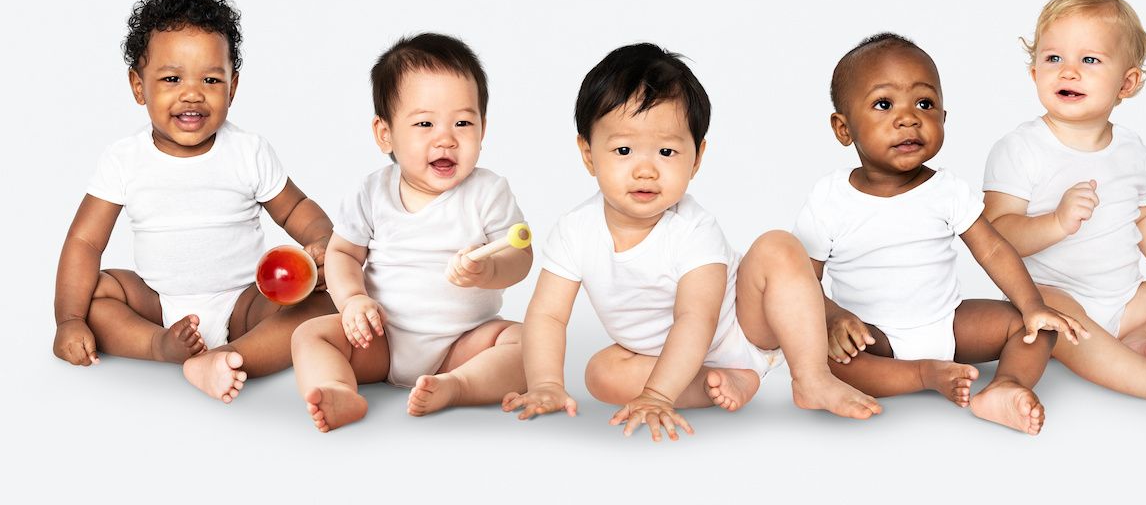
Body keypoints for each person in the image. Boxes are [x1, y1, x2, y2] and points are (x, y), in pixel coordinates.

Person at [503, 43, 883, 442]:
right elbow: (547, 315)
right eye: (623, 150)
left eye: (667, 151)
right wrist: (545, 381)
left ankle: (811, 378)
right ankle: (720, 383)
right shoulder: (575, 231)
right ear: (589, 155)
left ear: (696, 158)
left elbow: (695, 319)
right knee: (601, 374)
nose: (646, 170)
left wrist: (657, 394)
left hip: (744, 324)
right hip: (665, 356)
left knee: (778, 246)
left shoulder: (693, 229)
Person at [52, 0, 335, 403]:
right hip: (157, 303)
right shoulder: (123, 159)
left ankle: (232, 356)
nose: (192, 92)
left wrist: (322, 242)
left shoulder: (248, 151)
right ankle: (159, 346)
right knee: (100, 292)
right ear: (138, 86)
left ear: (232, 87)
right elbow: (85, 240)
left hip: (245, 304)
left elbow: (296, 208)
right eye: (171, 78)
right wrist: (69, 319)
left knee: (323, 305)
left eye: (211, 79)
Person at [801, 33, 1087, 435]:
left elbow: (992, 250)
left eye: (924, 103)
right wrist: (834, 317)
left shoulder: (946, 189)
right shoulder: (830, 199)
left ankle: (1006, 386)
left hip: (949, 324)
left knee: (1037, 328)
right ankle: (923, 375)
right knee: (825, 360)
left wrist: (1032, 304)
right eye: (884, 105)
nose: (908, 118)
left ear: (944, 118)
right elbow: (802, 280)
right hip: (874, 336)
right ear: (843, 128)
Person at [982, 0, 1146, 413]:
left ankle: (1137, 341)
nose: (1068, 72)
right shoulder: (1021, 148)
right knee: (1056, 313)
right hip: (1051, 295)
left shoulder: (1130, 148)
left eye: (1089, 60)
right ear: (1034, 73)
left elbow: (1145, 215)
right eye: (1053, 58)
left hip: (1123, 297)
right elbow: (995, 236)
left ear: (1126, 83)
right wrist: (1056, 223)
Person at [290, 33, 531, 432]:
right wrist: (351, 301)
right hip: (380, 338)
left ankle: (457, 386)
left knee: (527, 342)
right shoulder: (371, 192)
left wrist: (488, 272)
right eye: (424, 123)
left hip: (462, 343)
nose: (446, 138)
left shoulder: (488, 191)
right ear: (385, 133)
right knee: (309, 335)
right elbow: (343, 254)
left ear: (483, 128)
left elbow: (520, 257)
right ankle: (337, 388)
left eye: (463, 122)